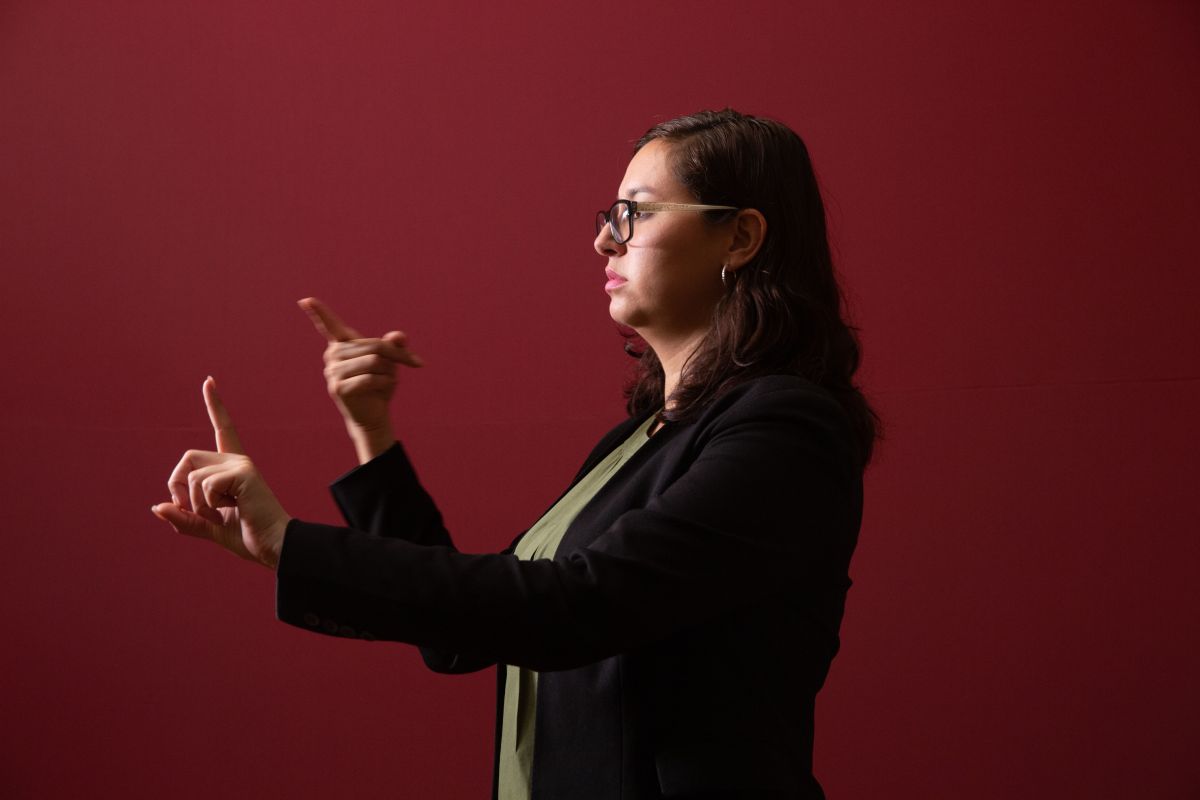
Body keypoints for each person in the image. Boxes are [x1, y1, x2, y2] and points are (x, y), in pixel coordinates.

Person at [151, 108, 881, 799]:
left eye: (638, 212)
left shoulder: (786, 430)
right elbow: (467, 631)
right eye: (609, 218)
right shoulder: (635, 443)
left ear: (740, 237)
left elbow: (572, 608)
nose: (605, 240)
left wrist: (289, 543)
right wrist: (371, 431)